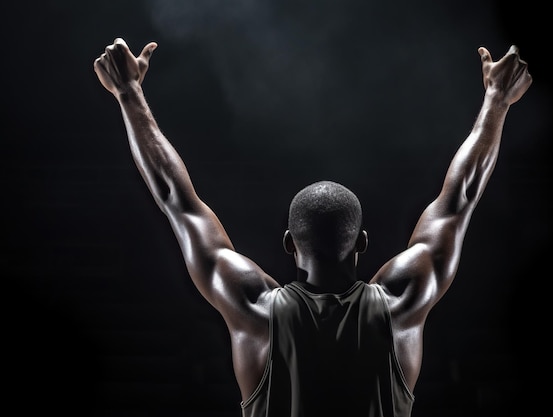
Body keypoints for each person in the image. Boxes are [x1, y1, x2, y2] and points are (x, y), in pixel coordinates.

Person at [94, 37, 531, 417]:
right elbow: (459, 201)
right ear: (362, 242)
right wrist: (496, 100)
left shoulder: (257, 311)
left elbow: (178, 202)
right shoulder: (401, 304)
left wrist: (129, 93)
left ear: (289, 243)